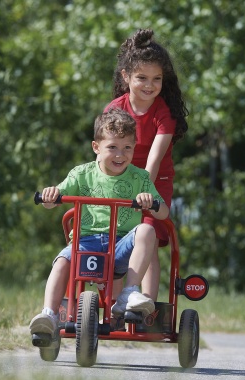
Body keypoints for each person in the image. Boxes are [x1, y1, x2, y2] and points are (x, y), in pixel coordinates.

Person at [29, 108, 169, 341]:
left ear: (134, 148)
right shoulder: (82, 174)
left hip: (122, 246)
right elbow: (53, 201)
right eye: (112, 147)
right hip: (85, 244)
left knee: (147, 229)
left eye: (127, 148)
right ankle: (49, 315)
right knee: (62, 261)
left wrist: (152, 203)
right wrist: (50, 195)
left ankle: (129, 292)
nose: (120, 155)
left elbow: (163, 212)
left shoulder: (140, 178)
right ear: (96, 147)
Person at [104, 28, 189, 301]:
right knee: (107, 234)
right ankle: (111, 300)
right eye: (142, 78)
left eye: (157, 79)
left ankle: (147, 303)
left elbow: (154, 159)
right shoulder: (114, 110)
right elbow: (104, 153)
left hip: (154, 182)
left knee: (148, 232)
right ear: (126, 77)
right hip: (119, 176)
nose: (149, 85)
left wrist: (141, 191)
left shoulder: (164, 113)